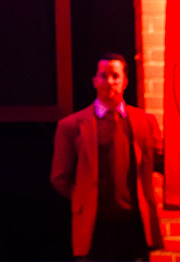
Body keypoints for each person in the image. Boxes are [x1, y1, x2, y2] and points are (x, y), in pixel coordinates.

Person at [50, 53, 164, 261]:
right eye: (104, 76)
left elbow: (161, 162)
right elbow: (60, 177)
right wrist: (84, 197)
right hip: (95, 226)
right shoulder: (71, 126)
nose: (109, 81)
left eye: (115, 76)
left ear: (125, 81)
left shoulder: (145, 122)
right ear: (94, 81)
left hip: (135, 225)